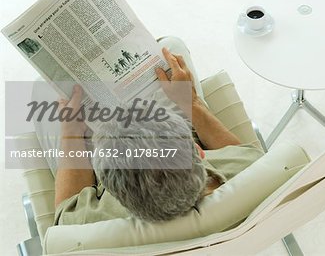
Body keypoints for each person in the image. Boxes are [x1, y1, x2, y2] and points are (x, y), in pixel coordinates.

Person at [32, 37, 264, 225]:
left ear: (109, 190)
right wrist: (190, 103)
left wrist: (71, 132)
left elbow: (67, 209)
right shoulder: (251, 170)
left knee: (44, 90)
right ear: (199, 152)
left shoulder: (87, 222)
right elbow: (238, 152)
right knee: (171, 45)